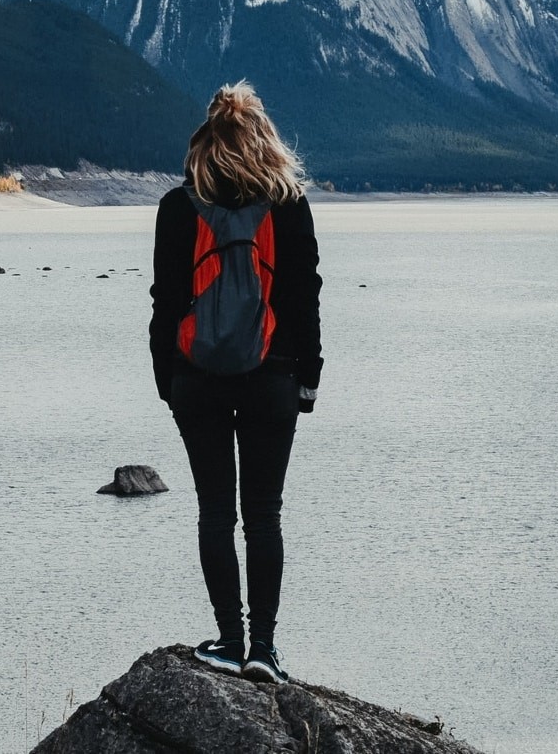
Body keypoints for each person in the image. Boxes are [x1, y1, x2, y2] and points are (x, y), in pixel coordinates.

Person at [148, 80, 323, 685]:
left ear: (206, 144)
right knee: (265, 516)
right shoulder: (289, 203)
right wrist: (310, 379)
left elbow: (165, 301)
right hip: (272, 378)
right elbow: (305, 297)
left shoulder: (178, 207)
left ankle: (227, 639)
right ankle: (264, 652)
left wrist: (166, 378)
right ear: (265, 141)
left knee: (216, 514)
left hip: (196, 379)